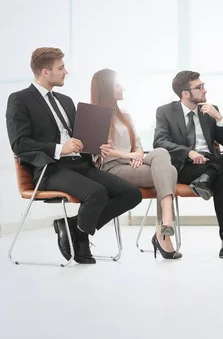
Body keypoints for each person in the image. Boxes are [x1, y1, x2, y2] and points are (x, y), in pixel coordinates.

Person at [6, 47, 142, 264]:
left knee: (132, 194)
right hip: (51, 168)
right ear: (45, 72)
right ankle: (81, 239)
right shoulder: (20, 99)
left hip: (81, 164)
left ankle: (72, 226)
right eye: (61, 68)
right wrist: (61, 148)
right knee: (96, 192)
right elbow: (19, 144)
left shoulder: (66, 101)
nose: (66, 72)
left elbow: (79, 137)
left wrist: (96, 145)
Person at [154, 70, 223, 259]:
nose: (204, 90)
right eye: (199, 87)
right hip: (187, 165)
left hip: (213, 161)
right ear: (185, 93)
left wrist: (219, 119)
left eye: (203, 85)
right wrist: (188, 152)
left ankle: (209, 176)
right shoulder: (165, 111)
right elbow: (160, 141)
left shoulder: (210, 110)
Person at [91, 69, 181, 260]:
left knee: (162, 153)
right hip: (113, 168)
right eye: (117, 85)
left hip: (133, 163)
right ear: (105, 88)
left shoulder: (125, 114)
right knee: (170, 172)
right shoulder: (95, 115)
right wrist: (129, 155)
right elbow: (103, 151)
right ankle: (163, 230)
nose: (123, 88)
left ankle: (165, 222)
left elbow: (139, 145)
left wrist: (138, 156)